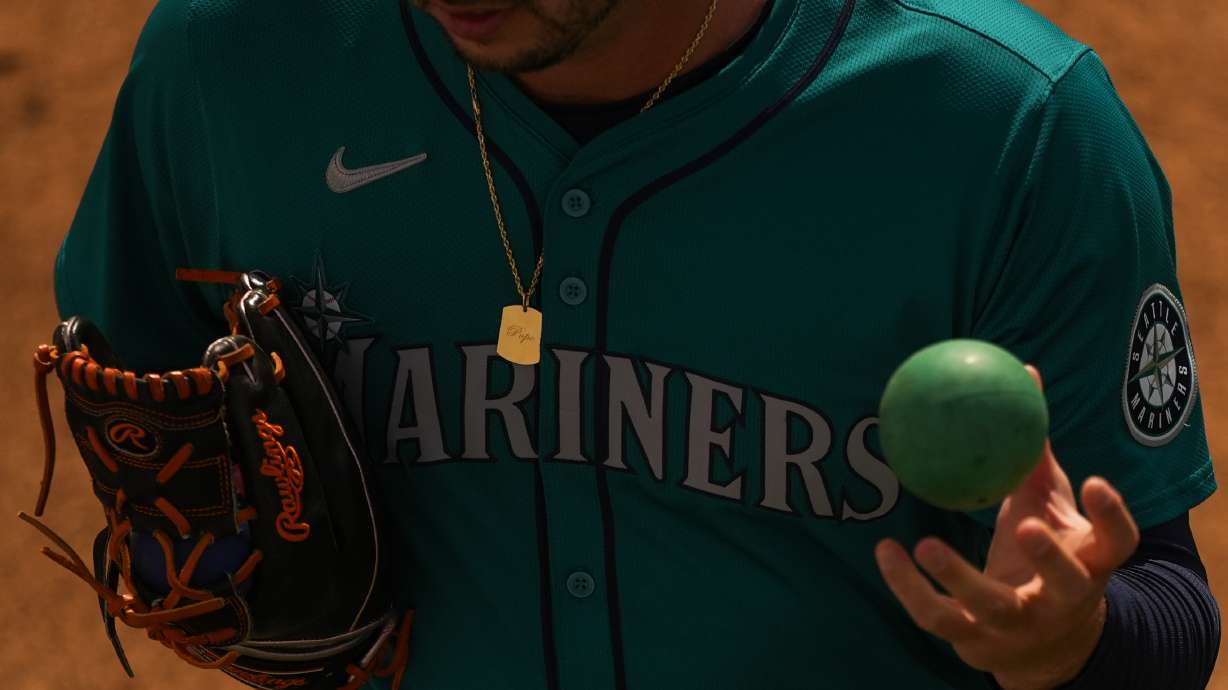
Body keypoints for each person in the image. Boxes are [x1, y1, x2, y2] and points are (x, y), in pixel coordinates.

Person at [56, 0, 1219, 688]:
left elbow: (1168, 610)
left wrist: (1066, 640)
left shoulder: (1002, 122)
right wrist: (212, 555)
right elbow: (144, 411)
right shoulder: (229, 64)